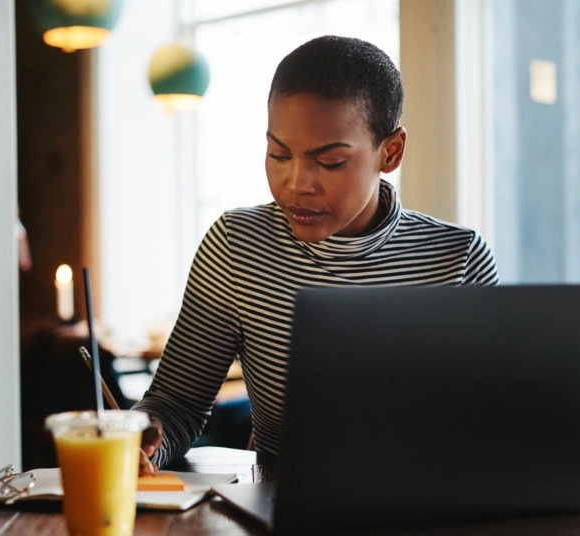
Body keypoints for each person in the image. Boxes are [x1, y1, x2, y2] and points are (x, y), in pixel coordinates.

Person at [133, 35, 499, 472]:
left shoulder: (458, 260)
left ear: (391, 151)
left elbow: (493, 428)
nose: (296, 184)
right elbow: (177, 403)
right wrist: (142, 436)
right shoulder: (237, 245)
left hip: (426, 516)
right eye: (278, 155)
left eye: (329, 163)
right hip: (280, 515)